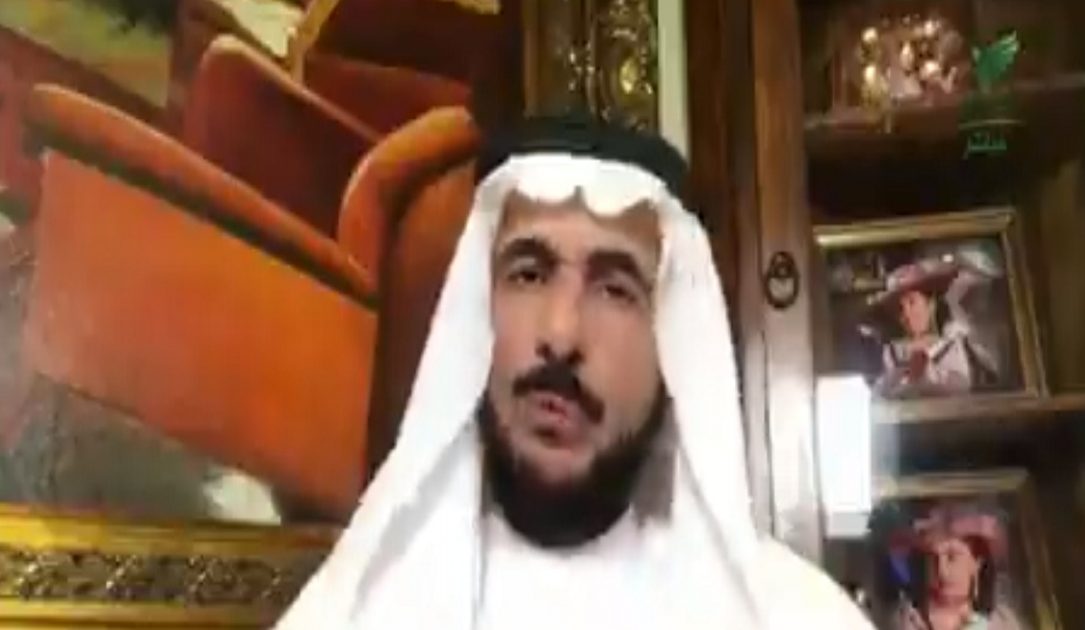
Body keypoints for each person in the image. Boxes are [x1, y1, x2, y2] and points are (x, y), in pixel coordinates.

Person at [275, 114, 874, 628]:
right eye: (528, 275)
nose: (560, 334)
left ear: (672, 340)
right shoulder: (353, 610)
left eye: (615, 289)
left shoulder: (797, 616)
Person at [869, 258, 999, 399]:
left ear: (930, 304)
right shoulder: (893, 353)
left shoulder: (955, 343)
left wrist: (924, 372)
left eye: (912, 302)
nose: (906, 314)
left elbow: (961, 387)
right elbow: (882, 395)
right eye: (899, 308)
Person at [891, 504, 1025, 630]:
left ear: (977, 561)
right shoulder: (906, 621)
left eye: (952, 557)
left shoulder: (1002, 624)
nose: (942, 571)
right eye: (933, 559)